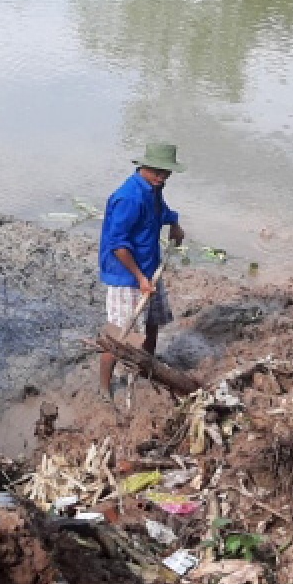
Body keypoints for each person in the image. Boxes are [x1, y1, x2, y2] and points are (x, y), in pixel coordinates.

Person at [98, 143, 187, 398]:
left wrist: (174, 224)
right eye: (158, 172)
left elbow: (161, 211)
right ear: (144, 166)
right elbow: (117, 245)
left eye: (166, 172)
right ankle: (105, 387)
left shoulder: (153, 189)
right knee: (119, 334)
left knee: (152, 322)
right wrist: (139, 278)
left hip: (148, 268)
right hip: (127, 274)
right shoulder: (129, 197)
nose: (162, 177)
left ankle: (147, 368)